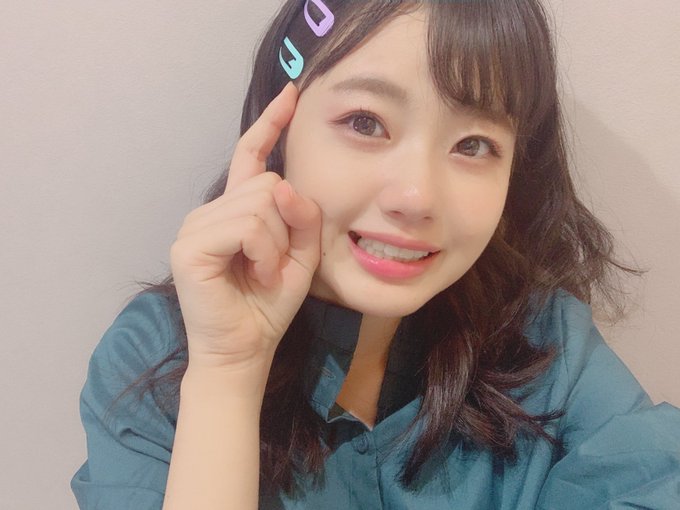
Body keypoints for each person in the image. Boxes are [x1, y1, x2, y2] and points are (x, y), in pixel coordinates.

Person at [71, 1, 680, 508]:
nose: (417, 197)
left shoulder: (546, 340)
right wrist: (228, 374)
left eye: (473, 144)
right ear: (277, 132)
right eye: (365, 122)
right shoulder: (157, 358)